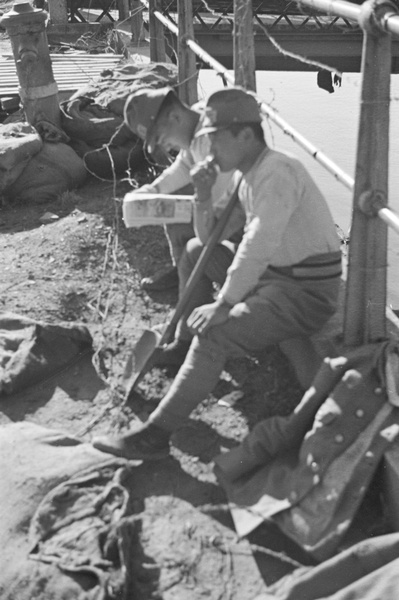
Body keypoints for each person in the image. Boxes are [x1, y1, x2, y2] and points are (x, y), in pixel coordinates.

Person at [93, 87, 342, 461]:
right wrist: (204, 195)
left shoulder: (277, 173)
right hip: (276, 277)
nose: (210, 150)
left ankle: (156, 435)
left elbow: (258, 243)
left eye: (216, 140)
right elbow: (209, 240)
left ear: (245, 135)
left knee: (215, 333)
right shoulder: (246, 174)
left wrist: (224, 303)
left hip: (304, 291)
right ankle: (180, 345)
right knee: (194, 253)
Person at [123, 86, 245, 366]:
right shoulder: (195, 129)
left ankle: (190, 316)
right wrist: (152, 190)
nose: (164, 147)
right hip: (226, 215)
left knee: (192, 243)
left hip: (243, 225)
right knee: (178, 221)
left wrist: (191, 208)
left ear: (175, 117)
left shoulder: (216, 137)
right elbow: (184, 164)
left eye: (162, 138)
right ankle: (186, 286)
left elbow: (224, 208)